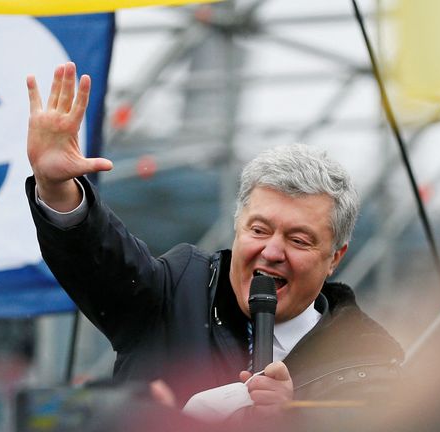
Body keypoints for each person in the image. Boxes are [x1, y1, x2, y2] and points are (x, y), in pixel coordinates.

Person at [24, 62, 403, 415]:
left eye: (299, 240)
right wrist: (57, 188)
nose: (272, 251)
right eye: (259, 230)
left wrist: (292, 418)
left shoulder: (369, 369)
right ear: (237, 226)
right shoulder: (176, 293)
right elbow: (103, 260)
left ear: (336, 257)